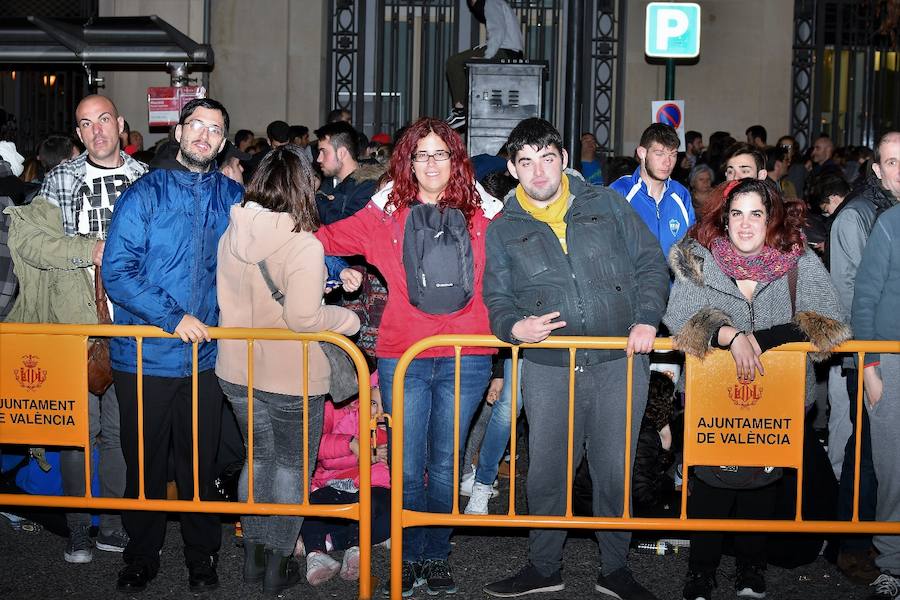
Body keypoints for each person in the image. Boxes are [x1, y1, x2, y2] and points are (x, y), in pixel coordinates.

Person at [483, 117, 669, 600]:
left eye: (547, 158)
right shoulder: (503, 230)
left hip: (618, 362)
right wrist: (512, 328)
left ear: (564, 159)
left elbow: (651, 262)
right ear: (512, 168)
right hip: (549, 369)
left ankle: (616, 570)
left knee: (613, 470)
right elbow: (497, 299)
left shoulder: (606, 203)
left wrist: (648, 316)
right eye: (526, 162)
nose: (539, 171)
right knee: (546, 472)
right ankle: (544, 567)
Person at [315, 117, 500, 596]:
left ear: (456, 159)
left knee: (444, 462)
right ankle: (410, 552)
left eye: (441, 153)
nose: (432, 163)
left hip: (469, 354)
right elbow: (324, 240)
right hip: (404, 355)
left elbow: (524, 256)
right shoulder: (385, 213)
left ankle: (434, 555)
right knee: (404, 459)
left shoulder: (484, 213)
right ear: (408, 163)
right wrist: (332, 267)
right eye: (423, 154)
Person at [663, 178, 849, 600]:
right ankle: (701, 572)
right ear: (724, 220)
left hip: (776, 397)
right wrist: (727, 333)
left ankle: (751, 570)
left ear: (771, 220)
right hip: (714, 396)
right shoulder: (699, 260)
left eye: (756, 214)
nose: (745, 224)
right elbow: (678, 319)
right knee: (710, 484)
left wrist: (764, 337)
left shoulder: (797, 260)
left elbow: (829, 322)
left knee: (761, 487)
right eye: (737, 214)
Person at [102, 98, 242, 593]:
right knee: (145, 465)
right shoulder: (144, 194)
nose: (204, 135)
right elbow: (117, 273)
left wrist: (334, 270)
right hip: (143, 358)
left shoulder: (234, 197)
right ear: (179, 133)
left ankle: (202, 558)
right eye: (196, 125)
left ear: (223, 142)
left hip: (206, 360)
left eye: (215, 129)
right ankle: (141, 556)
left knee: (200, 466)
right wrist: (173, 317)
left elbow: (276, 248)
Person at [215, 147, 361, 594]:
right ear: (303, 188)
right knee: (291, 468)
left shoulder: (232, 231)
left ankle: (254, 557)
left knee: (257, 459)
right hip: (291, 374)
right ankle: (278, 561)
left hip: (237, 368)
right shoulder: (304, 244)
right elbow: (304, 319)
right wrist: (348, 320)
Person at [13, 95, 147, 564]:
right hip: (72, 323)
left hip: (129, 324)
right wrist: (86, 250)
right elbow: (31, 244)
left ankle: (111, 525)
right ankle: (76, 531)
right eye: (86, 124)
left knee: (118, 432)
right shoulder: (60, 179)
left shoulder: (144, 180)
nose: (97, 130)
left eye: (104, 119)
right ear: (78, 134)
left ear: (121, 124)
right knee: (74, 432)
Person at [828, 131, 900, 584]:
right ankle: (871, 554)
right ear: (876, 168)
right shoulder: (869, 219)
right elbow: (859, 297)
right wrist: (869, 364)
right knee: (878, 465)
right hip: (879, 360)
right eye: (892, 161)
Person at [851, 201, 900, 600]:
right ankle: (893, 568)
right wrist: (869, 368)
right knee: (894, 476)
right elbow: (864, 297)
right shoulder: (890, 223)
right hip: (893, 365)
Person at [300, 380, 391, 586]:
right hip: (336, 481)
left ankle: (352, 547)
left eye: (386, 404)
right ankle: (315, 554)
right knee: (312, 504)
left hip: (373, 488)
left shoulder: (396, 429)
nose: (380, 411)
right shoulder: (351, 421)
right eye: (373, 403)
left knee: (379, 507)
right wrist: (364, 453)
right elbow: (324, 456)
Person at [610, 123, 695, 257]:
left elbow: (690, 247)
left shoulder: (681, 194)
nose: (667, 162)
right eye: (659, 153)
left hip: (673, 278)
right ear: (642, 153)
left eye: (673, 155)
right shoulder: (620, 191)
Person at [445, 0, 524, 129]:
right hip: (511, 52)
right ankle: (470, 107)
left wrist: (487, 58)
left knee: (455, 62)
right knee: (469, 66)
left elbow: (497, 31)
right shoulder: (498, 3)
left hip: (504, 51)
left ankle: (460, 111)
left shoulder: (491, 2)